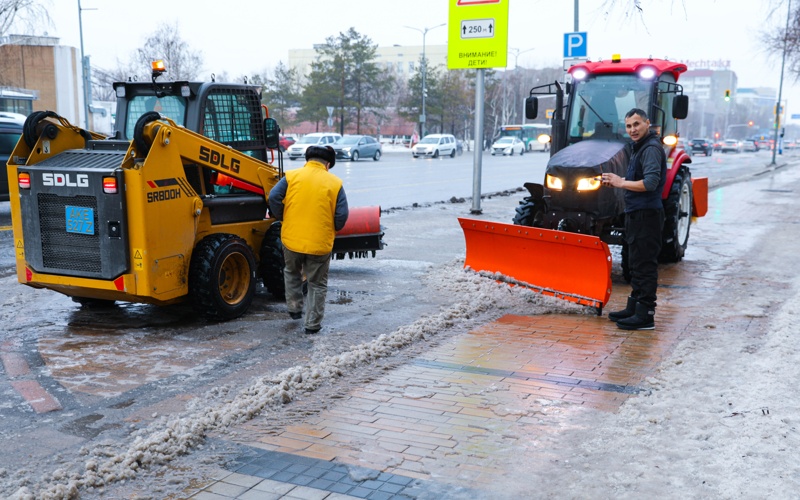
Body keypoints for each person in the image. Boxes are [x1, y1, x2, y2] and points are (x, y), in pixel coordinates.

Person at [268, 145, 349, 334]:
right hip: (320, 243)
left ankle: (295, 307)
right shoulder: (335, 183)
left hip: (291, 239)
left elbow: (273, 197)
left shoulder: (291, 177)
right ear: (328, 164)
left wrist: (283, 216)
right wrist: (332, 228)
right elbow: (342, 215)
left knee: (291, 271)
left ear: (307, 160)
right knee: (317, 283)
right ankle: (312, 324)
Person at [601, 108, 666, 330]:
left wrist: (621, 182)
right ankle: (634, 306)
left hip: (647, 215)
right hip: (636, 213)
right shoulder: (639, 147)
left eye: (637, 124)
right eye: (629, 126)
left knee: (645, 265)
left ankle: (645, 314)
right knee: (635, 263)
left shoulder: (651, 149)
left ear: (647, 123)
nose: (633, 130)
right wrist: (618, 181)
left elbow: (650, 183)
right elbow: (638, 179)